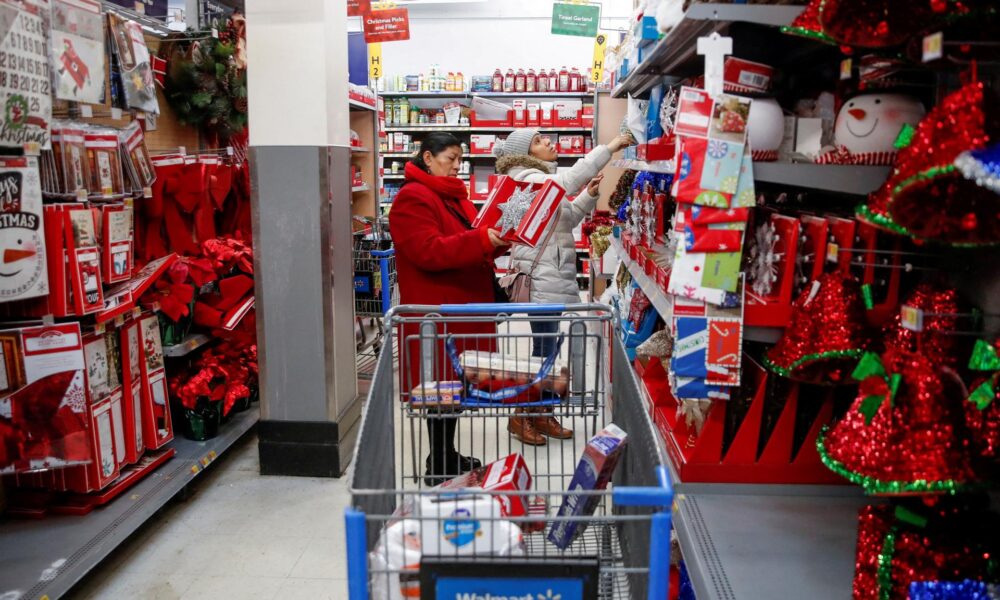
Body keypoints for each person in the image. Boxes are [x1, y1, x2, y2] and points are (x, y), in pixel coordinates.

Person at [493, 128, 633, 445]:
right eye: (540, 141)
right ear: (526, 153)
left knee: (549, 349)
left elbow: (566, 218)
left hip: (552, 278)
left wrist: (590, 195)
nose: (549, 143)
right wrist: (609, 147)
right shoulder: (528, 179)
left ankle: (539, 412)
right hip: (543, 279)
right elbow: (568, 181)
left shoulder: (541, 181)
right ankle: (521, 416)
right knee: (542, 351)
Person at [390, 132, 509, 485]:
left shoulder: (452, 197)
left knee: (453, 388)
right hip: (437, 314)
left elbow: (468, 243)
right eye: (451, 158)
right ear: (428, 157)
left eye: (460, 159)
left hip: (460, 309)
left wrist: (496, 242)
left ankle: (445, 452)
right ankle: (437, 462)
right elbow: (428, 250)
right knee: (440, 388)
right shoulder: (413, 198)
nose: (458, 165)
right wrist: (482, 239)